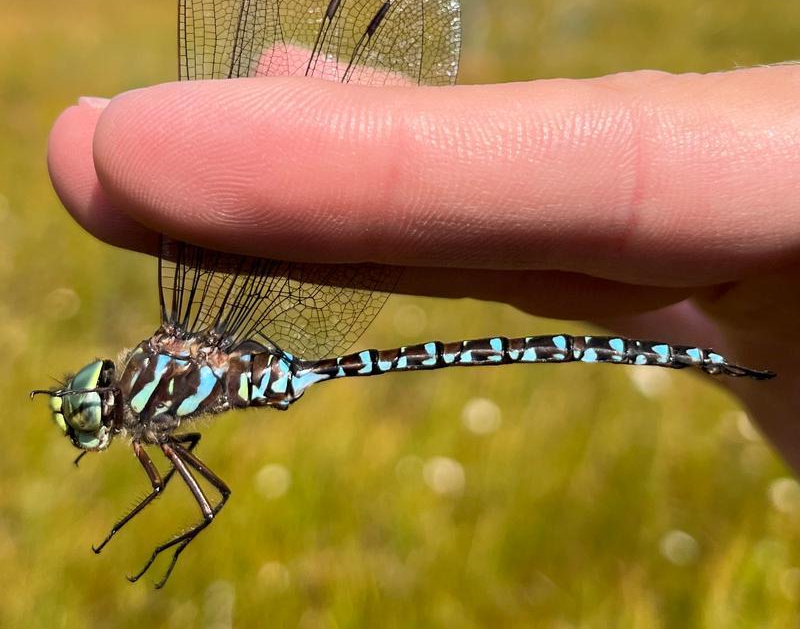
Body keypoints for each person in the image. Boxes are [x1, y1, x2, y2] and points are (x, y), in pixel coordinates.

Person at [47, 66, 800, 471]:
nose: (94, 406)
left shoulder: (152, 400)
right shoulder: (154, 410)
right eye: (92, 407)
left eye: (91, 408)